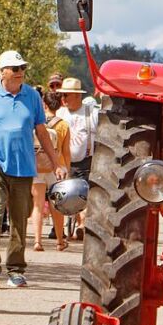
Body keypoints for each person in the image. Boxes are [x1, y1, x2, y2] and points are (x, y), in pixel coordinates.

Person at [0, 50, 67, 288]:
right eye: (15, 69)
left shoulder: (32, 96)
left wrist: (57, 164)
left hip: (24, 164)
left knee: (19, 218)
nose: (20, 72)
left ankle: (15, 270)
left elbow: (42, 131)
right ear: (2, 71)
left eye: (22, 68)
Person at [56, 77, 98, 239]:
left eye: (67, 95)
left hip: (85, 162)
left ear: (77, 96)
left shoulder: (91, 113)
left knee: (83, 194)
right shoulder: (60, 113)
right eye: (63, 95)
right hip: (63, 163)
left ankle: (82, 225)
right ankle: (66, 226)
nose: (63, 99)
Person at [30, 91, 71, 252]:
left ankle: (37, 241)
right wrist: (67, 170)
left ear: (44, 104)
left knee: (38, 205)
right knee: (57, 206)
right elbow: (66, 151)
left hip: (36, 167)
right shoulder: (63, 125)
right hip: (56, 169)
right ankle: (60, 241)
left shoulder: (36, 122)